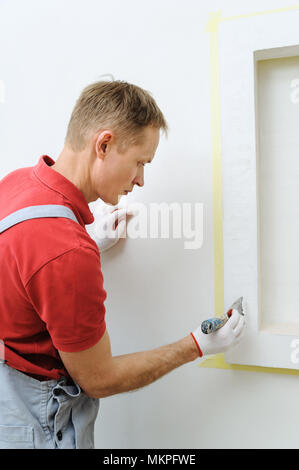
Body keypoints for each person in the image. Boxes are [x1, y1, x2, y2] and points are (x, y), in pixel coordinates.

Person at [0, 80, 245, 449]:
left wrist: (88, 244)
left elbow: (23, 270)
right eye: (140, 162)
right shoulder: (66, 251)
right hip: (39, 427)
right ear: (104, 145)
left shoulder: (17, 185)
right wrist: (196, 344)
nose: (141, 180)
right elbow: (99, 378)